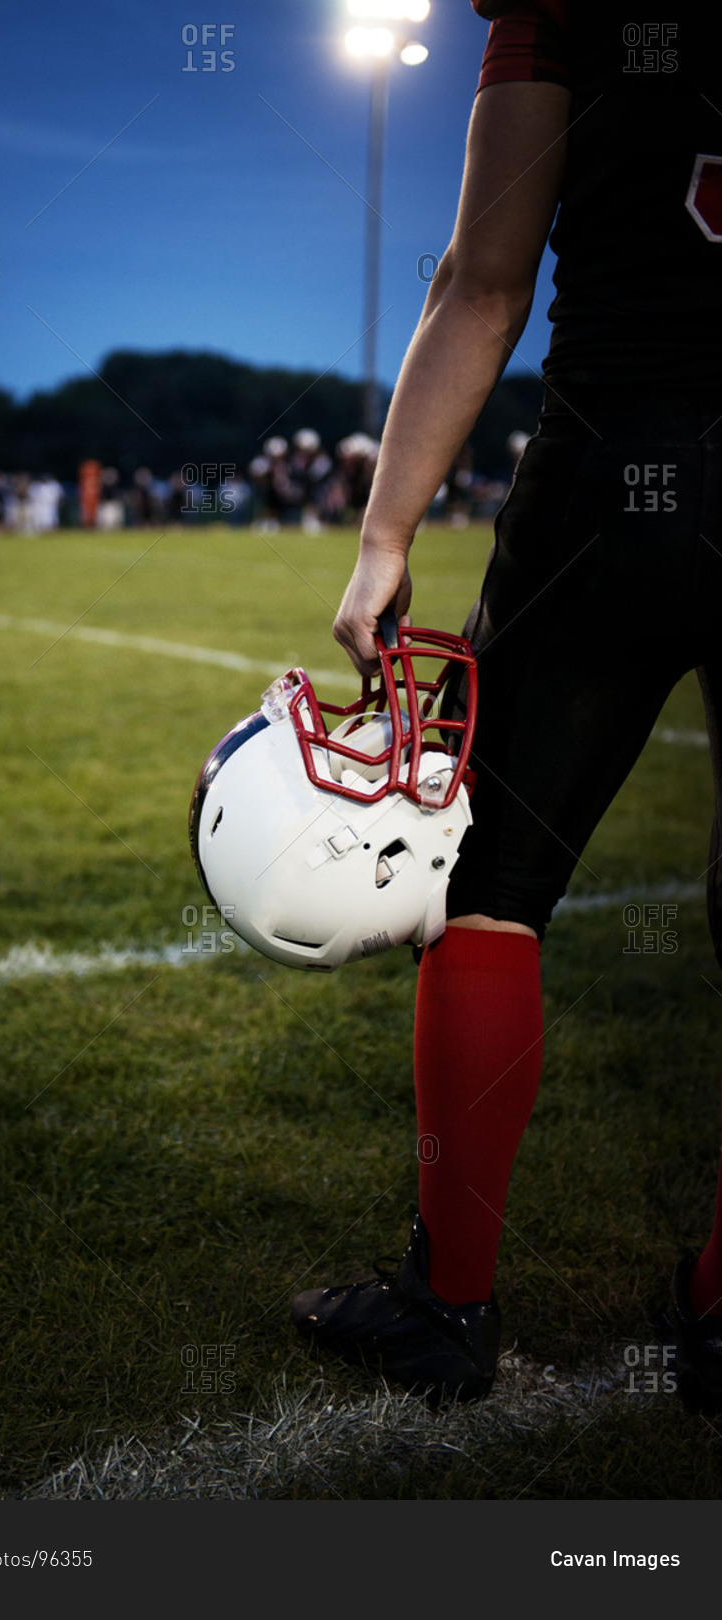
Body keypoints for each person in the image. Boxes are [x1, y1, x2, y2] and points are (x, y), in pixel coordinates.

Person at [292, 1, 722, 1412]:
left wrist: (383, 540)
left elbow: (482, 282)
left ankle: (447, 1305)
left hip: (612, 475)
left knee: (491, 886)